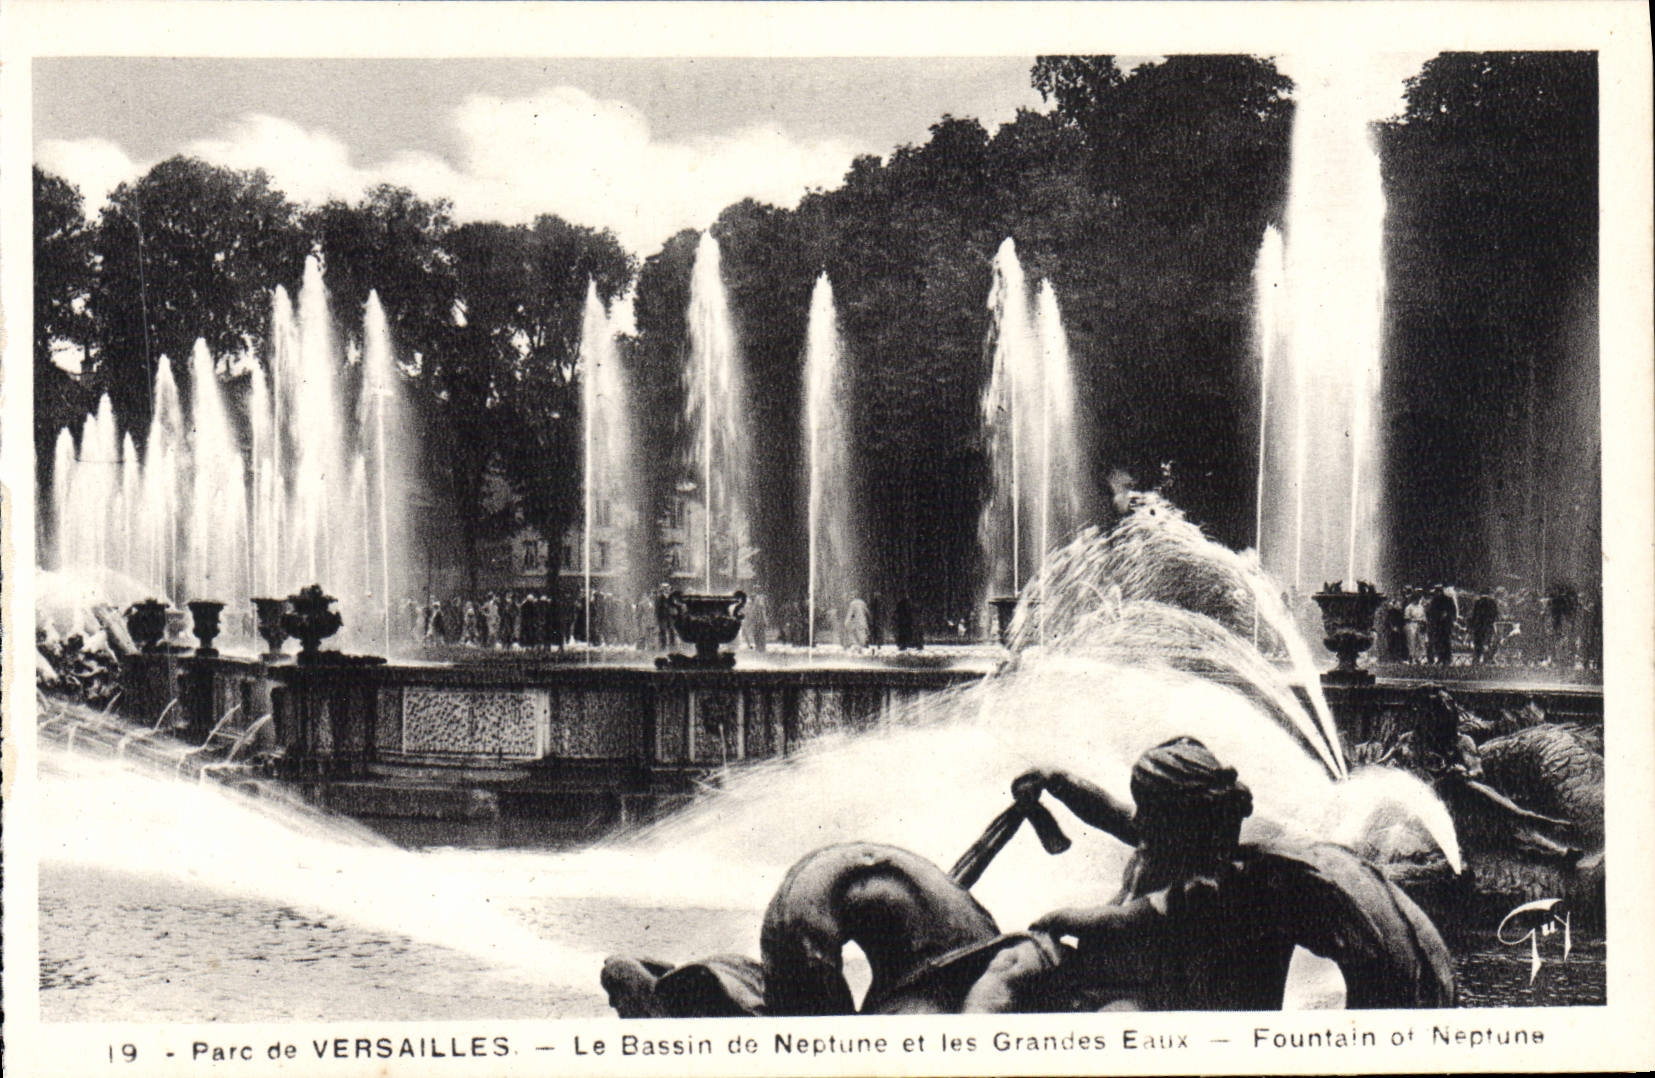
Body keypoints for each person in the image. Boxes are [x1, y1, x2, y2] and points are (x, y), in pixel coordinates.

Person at [961, 738, 1455, 1012]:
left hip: (1152, 997)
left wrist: (1065, 918)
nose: (1138, 820)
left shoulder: (1221, 879)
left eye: (1148, 809)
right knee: (1008, 968)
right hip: (1111, 972)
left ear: (1183, 819)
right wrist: (1056, 781)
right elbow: (1112, 814)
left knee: (1110, 1022)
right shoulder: (1169, 835)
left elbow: (1134, 920)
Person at [1425, 585, 1456, 666]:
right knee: (1442, 642)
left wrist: (1446, 616)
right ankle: (1444, 658)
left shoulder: (1441, 600)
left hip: (1442, 625)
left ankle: (1444, 659)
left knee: (1443, 642)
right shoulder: (1445, 600)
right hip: (1441, 625)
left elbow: (1452, 612)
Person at [1469, 590, 1499, 665]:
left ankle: (1476, 660)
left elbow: (1474, 615)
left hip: (1478, 627)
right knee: (1488, 643)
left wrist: (1472, 626)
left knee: (1478, 644)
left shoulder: (1477, 603)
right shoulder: (1492, 603)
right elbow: (1495, 615)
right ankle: (1487, 659)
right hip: (1488, 626)